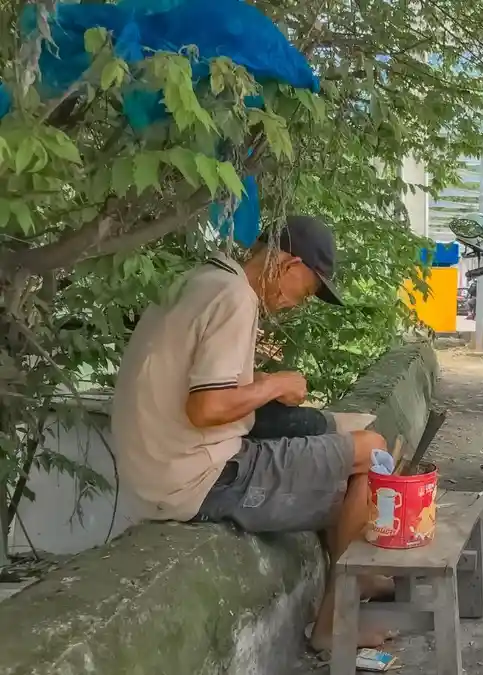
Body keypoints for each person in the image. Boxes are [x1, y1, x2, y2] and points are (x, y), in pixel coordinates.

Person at [111, 215, 391, 652]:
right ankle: (333, 623)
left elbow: (201, 382)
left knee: (331, 459)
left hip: (155, 472)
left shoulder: (202, 279)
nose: (302, 302)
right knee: (371, 452)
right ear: (290, 263)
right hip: (199, 477)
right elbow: (206, 407)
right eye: (310, 288)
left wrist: (258, 383)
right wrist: (277, 384)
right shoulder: (235, 296)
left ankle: (360, 575)